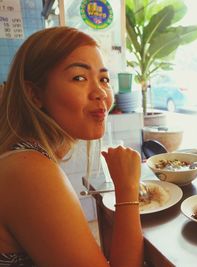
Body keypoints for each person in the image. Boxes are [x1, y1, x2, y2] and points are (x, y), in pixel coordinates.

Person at [0, 27, 143, 266]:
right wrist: (127, 189)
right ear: (34, 94)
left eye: (104, 79)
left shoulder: (25, 157)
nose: (100, 92)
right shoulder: (28, 171)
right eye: (79, 77)